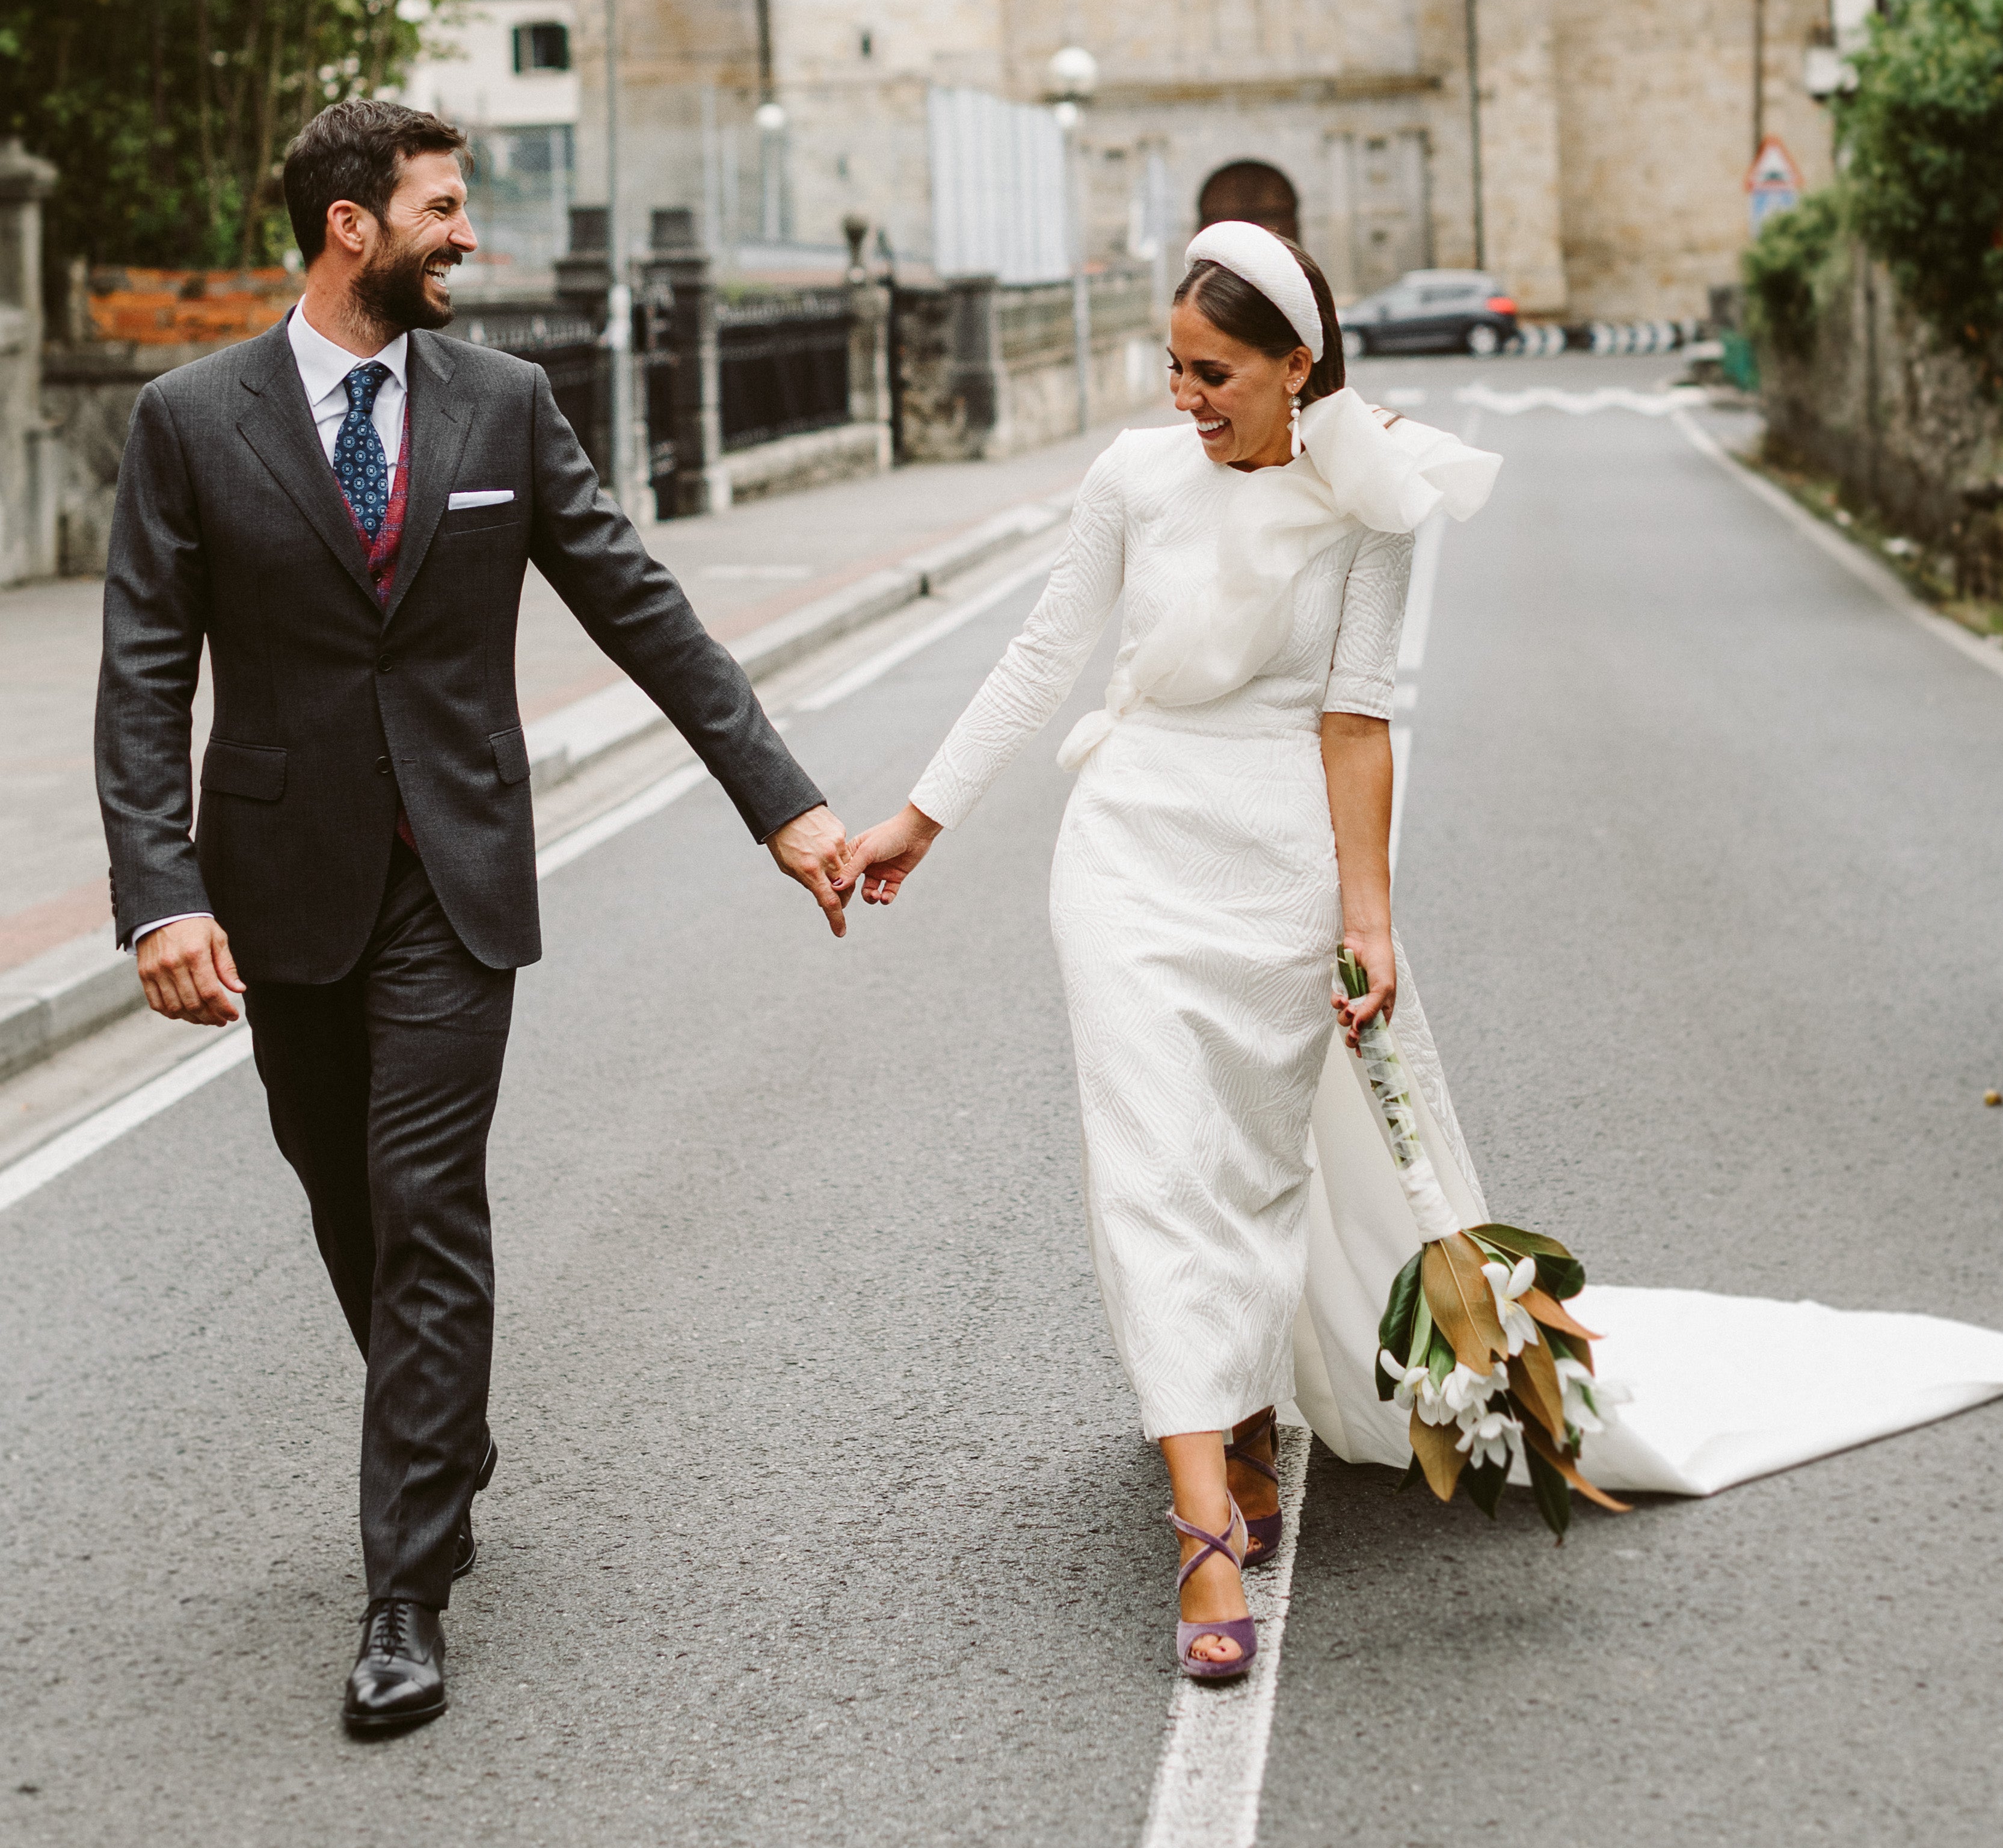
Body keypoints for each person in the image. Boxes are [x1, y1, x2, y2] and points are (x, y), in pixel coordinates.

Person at [96, 100, 852, 1737]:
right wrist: (159, 892)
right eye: (442, 206)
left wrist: (781, 801)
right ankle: (438, 1428)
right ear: (351, 226)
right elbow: (145, 669)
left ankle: (402, 1591)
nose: (467, 235)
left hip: (456, 871)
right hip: (281, 880)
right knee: (344, 1199)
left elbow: (640, 603)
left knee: (424, 1195)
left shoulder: (504, 404)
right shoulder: (189, 418)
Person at [839, 220, 1500, 1678]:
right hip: (1129, 847)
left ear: (1295, 367)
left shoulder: (1368, 499)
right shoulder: (1132, 478)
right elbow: (1041, 654)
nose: (1187, 398)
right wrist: (921, 817)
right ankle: (1204, 1528)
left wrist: (1369, 914)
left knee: (1249, 1174)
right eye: (1174, 368)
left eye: (1215, 374)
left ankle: (1244, 1407)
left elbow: (1356, 716)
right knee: (1150, 1158)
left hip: (1277, 862)